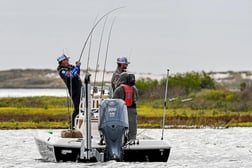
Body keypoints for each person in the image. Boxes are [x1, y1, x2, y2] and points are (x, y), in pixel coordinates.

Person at [57, 54, 82, 130]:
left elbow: (77, 73)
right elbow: (71, 75)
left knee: (82, 108)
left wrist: (78, 67)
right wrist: (77, 66)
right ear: (62, 62)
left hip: (80, 88)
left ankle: (79, 125)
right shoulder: (62, 71)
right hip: (74, 91)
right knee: (77, 108)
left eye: (67, 59)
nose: (68, 61)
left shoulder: (71, 67)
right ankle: (72, 126)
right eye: (66, 60)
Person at [113, 72, 138, 141]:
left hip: (121, 110)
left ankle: (120, 139)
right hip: (132, 110)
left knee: (120, 125)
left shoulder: (118, 89)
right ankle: (132, 139)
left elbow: (114, 101)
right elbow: (136, 98)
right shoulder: (134, 89)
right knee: (133, 125)